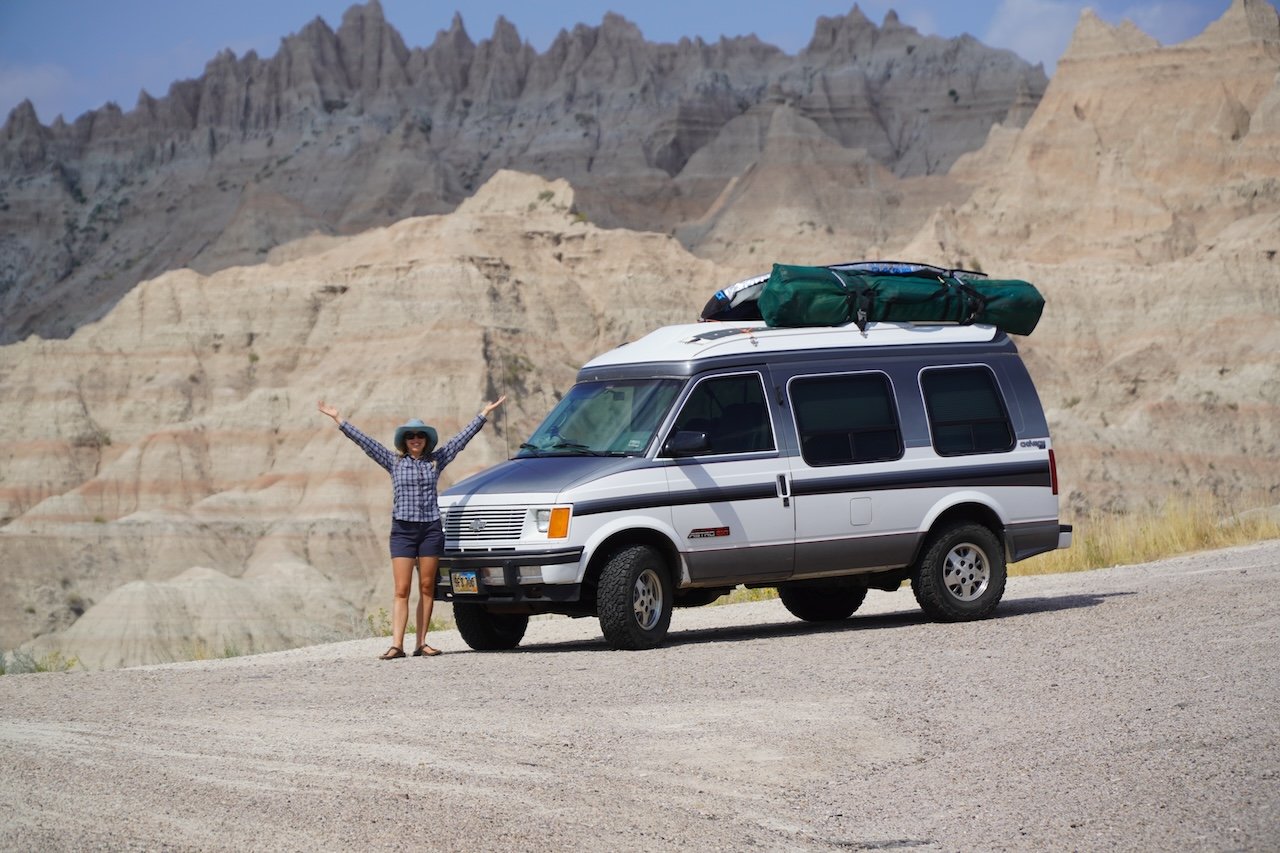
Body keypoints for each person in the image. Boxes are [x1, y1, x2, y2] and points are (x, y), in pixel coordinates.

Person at [318, 396, 506, 659]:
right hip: (403, 532)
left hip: (430, 529)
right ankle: (397, 645)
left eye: (419, 435)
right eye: (410, 436)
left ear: (426, 440)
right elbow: (366, 443)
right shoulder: (394, 462)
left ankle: (422, 643)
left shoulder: (435, 461)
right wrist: (339, 418)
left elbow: (459, 442)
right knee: (401, 589)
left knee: (427, 587)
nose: (415, 439)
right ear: (404, 442)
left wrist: (483, 414)